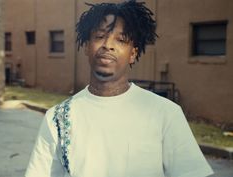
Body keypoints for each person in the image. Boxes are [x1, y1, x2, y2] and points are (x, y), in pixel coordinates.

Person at [25, 1, 214, 177]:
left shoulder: (165, 113)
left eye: (121, 40)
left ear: (133, 54)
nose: (108, 45)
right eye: (99, 37)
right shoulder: (57, 118)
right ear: (86, 47)